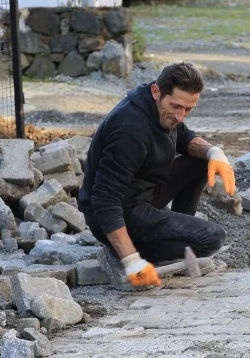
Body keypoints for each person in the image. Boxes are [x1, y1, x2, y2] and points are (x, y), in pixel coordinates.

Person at [79, 62, 236, 289]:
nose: (181, 116)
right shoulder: (131, 131)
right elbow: (105, 200)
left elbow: (184, 138)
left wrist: (214, 152)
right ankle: (127, 252)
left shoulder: (162, 109)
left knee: (203, 162)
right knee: (211, 237)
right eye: (177, 106)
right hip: (121, 211)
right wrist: (131, 260)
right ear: (156, 92)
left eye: (188, 109)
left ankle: (175, 233)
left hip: (144, 194)